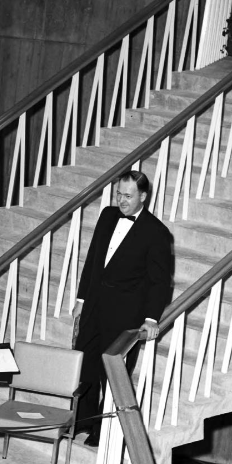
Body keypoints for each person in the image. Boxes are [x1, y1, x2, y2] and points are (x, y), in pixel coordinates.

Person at [73, 170, 173, 446]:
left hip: (125, 314)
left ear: (143, 196)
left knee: (112, 373)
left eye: (128, 196)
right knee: (85, 363)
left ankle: (103, 432)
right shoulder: (107, 215)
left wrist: (151, 318)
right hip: (94, 305)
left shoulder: (157, 233)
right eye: (119, 194)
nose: (122, 200)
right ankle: (83, 421)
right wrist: (81, 300)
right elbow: (93, 259)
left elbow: (160, 282)